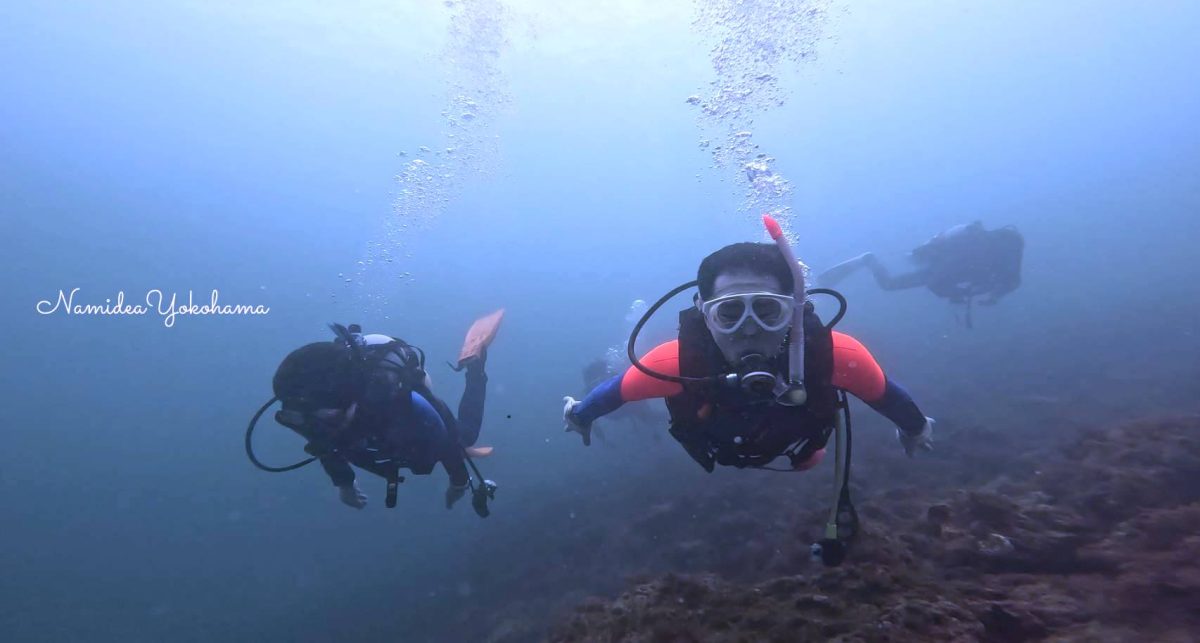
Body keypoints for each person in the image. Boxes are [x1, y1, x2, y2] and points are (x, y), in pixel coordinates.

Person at [561, 238, 935, 476]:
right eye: (729, 312)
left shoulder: (836, 356)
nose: (749, 330)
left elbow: (888, 397)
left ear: (794, 310)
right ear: (704, 312)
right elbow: (611, 394)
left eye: (768, 310)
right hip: (720, 442)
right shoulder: (674, 364)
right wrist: (579, 416)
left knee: (810, 460)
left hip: (796, 445)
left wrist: (917, 428)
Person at [263, 313, 502, 513]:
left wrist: (458, 482)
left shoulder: (393, 399)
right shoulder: (310, 413)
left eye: (332, 419)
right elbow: (323, 443)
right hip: (361, 398)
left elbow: (447, 438)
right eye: (306, 420)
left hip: (404, 381)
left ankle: (474, 368)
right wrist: (344, 483)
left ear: (352, 400)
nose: (324, 428)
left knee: (465, 437)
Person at [818, 221, 1024, 308]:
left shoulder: (998, 262)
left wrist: (991, 296)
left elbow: (1011, 282)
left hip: (945, 265)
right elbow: (937, 282)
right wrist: (954, 294)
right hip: (942, 267)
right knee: (889, 284)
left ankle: (871, 259)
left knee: (896, 276)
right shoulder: (985, 259)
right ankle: (868, 260)